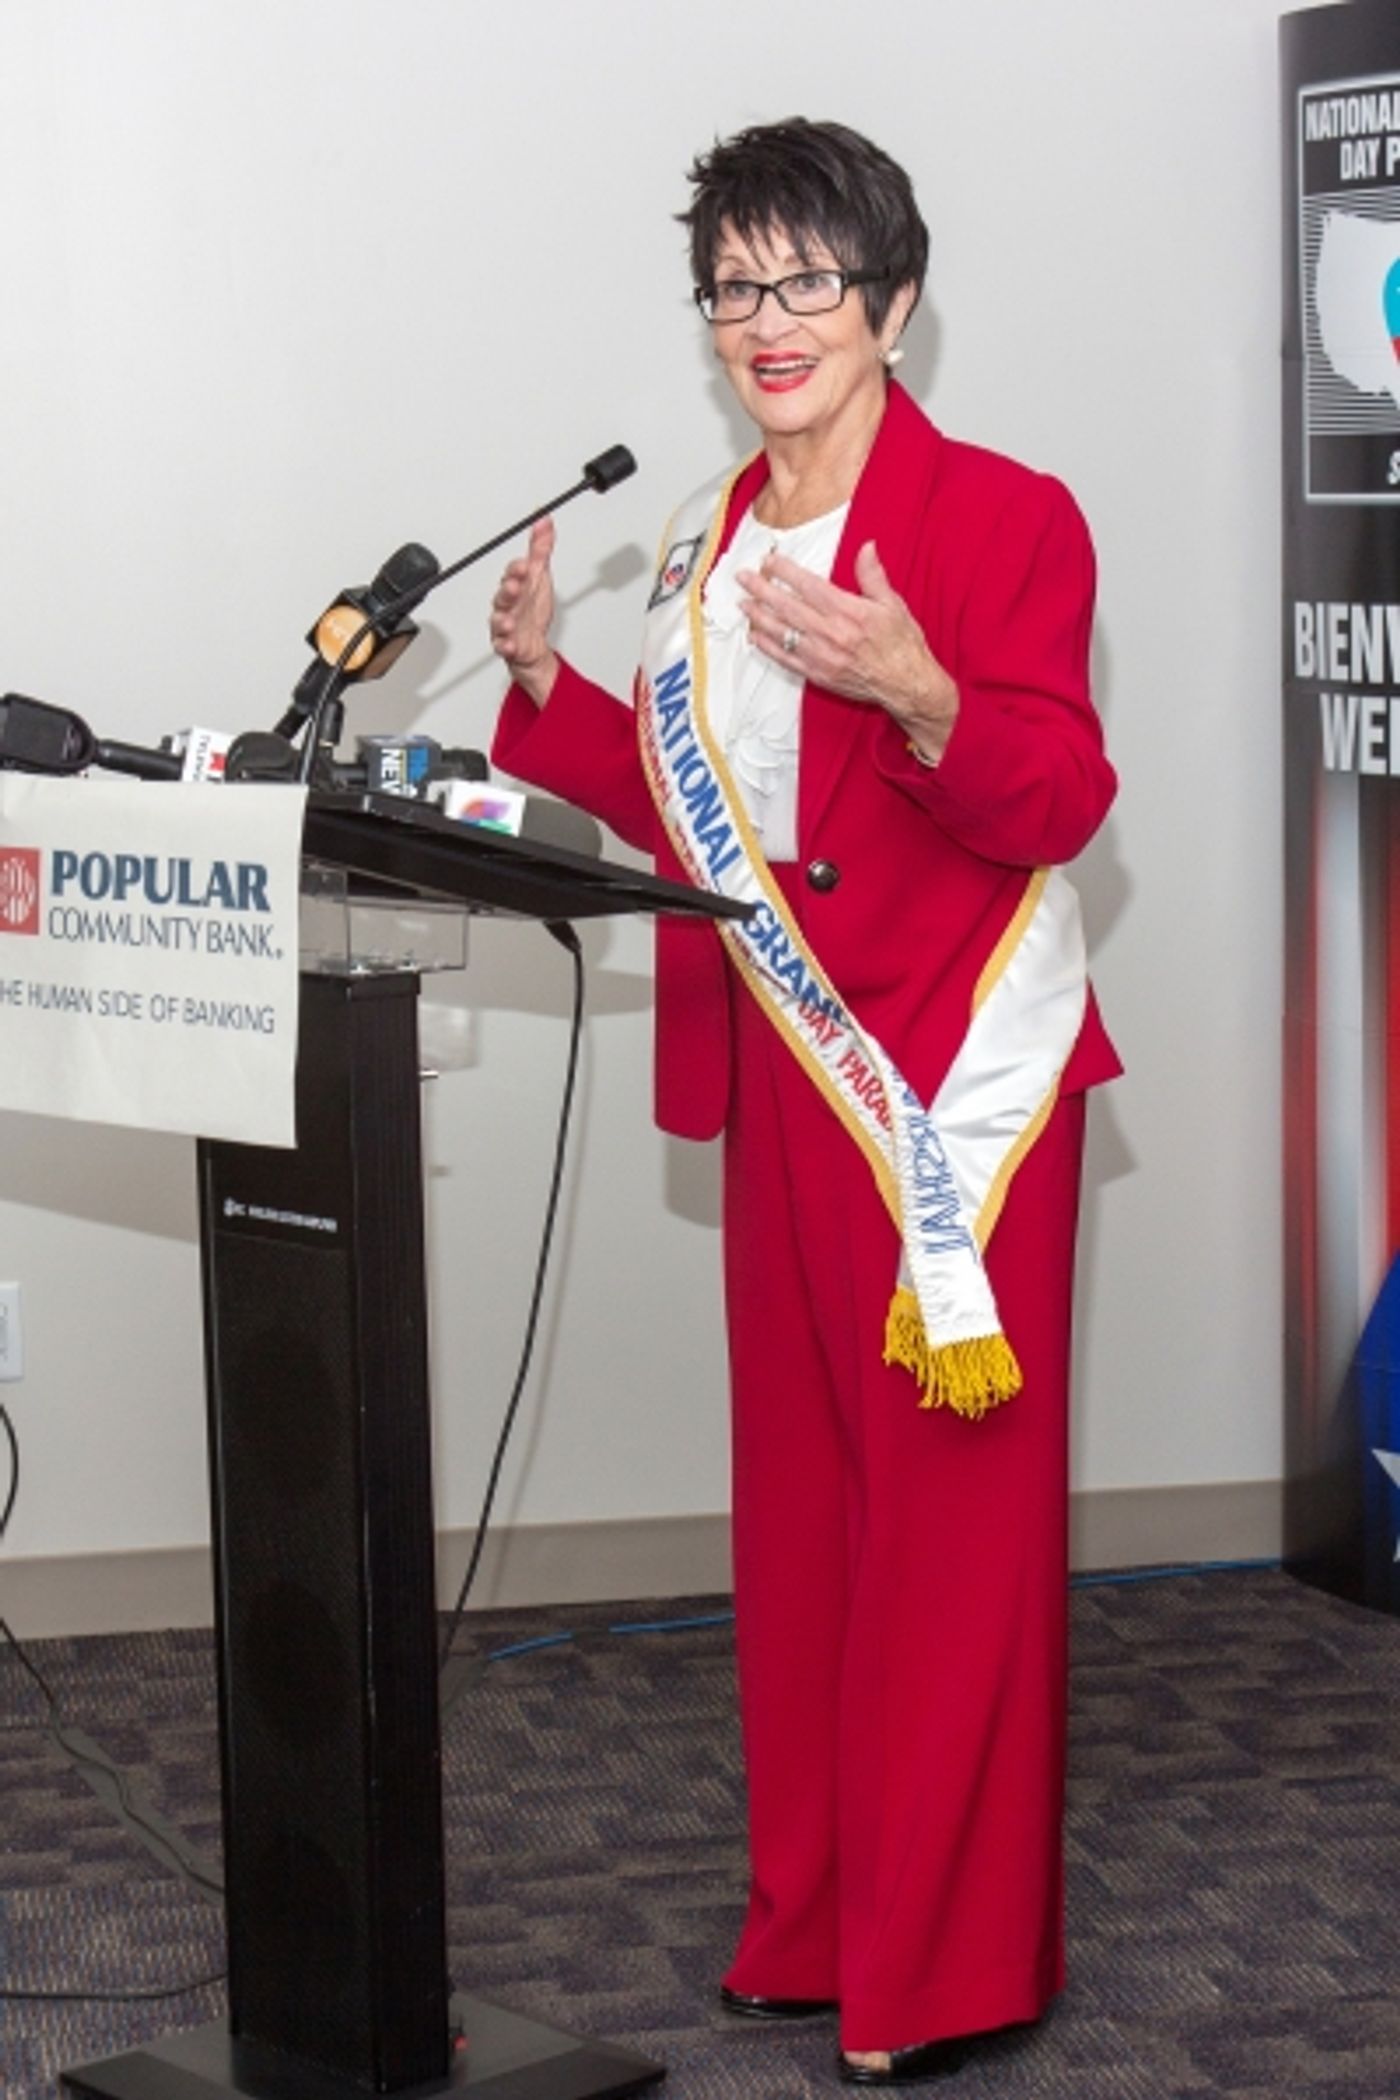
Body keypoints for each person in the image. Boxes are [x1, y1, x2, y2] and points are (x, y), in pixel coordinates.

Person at [488, 117, 1118, 2088]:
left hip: (949, 1097)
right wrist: (550, 692)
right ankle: (819, 1919)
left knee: (947, 1547)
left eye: (807, 281)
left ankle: (946, 1970)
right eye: (733, 286)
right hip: (786, 1080)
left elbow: (1057, 796)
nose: (767, 320)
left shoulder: (1004, 518)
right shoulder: (702, 540)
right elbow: (713, 828)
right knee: (806, 1529)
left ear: (894, 306)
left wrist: (927, 697)